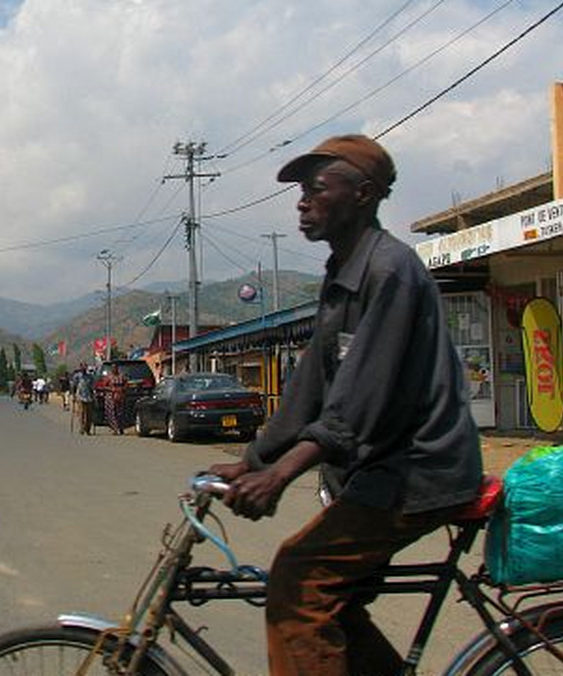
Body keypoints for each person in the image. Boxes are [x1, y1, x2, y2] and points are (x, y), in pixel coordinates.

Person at [207, 134, 482, 676]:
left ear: (364, 195)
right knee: (335, 604)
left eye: (316, 189)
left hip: (419, 471)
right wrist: (253, 460)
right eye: (301, 192)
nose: (302, 202)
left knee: (298, 581)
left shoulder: (390, 272)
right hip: (385, 469)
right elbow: (309, 385)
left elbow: (357, 403)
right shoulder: (342, 274)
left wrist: (281, 475)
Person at [103, 364, 127, 435]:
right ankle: (115, 429)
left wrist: (122, 389)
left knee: (120, 413)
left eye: (116, 368)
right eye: (113, 368)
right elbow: (104, 386)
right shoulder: (109, 377)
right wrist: (111, 389)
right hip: (111, 397)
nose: (115, 369)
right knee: (112, 413)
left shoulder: (121, 376)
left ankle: (121, 428)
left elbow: (126, 383)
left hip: (120, 396)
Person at [72, 363, 95, 435]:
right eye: (82, 368)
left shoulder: (90, 377)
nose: (83, 369)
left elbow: (92, 387)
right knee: (81, 413)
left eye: (85, 368)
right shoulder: (77, 376)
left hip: (89, 397)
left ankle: (88, 429)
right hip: (80, 396)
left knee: (89, 414)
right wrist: (73, 395)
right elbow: (74, 386)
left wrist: (94, 395)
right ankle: (82, 428)